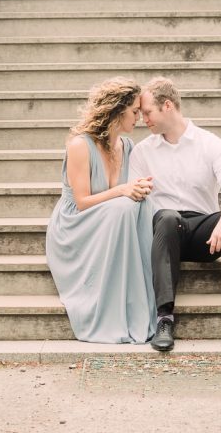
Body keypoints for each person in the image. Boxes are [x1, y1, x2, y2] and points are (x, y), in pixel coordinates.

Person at [129, 77, 221, 352]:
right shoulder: (142, 152)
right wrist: (136, 191)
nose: (143, 119)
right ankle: (164, 318)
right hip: (166, 233)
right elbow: (131, 196)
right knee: (167, 217)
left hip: (205, 234)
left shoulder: (210, 143)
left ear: (167, 106)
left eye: (147, 112)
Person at [45, 78, 157, 344]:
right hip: (77, 224)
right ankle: (106, 308)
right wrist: (122, 190)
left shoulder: (127, 147)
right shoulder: (80, 145)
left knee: (141, 205)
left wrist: (139, 188)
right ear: (118, 112)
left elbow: (128, 194)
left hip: (110, 223)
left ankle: (137, 300)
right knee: (122, 207)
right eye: (134, 112)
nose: (139, 119)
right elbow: (82, 201)